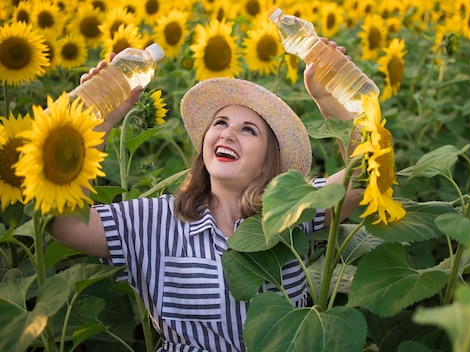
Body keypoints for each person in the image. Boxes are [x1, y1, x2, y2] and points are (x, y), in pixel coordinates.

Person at [50, 39, 363, 352]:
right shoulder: (157, 221)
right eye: (220, 123)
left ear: (270, 161)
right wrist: (96, 127)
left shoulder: (290, 208)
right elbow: (65, 224)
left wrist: (329, 100)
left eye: (248, 130)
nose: (227, 133)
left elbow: (365, 176)